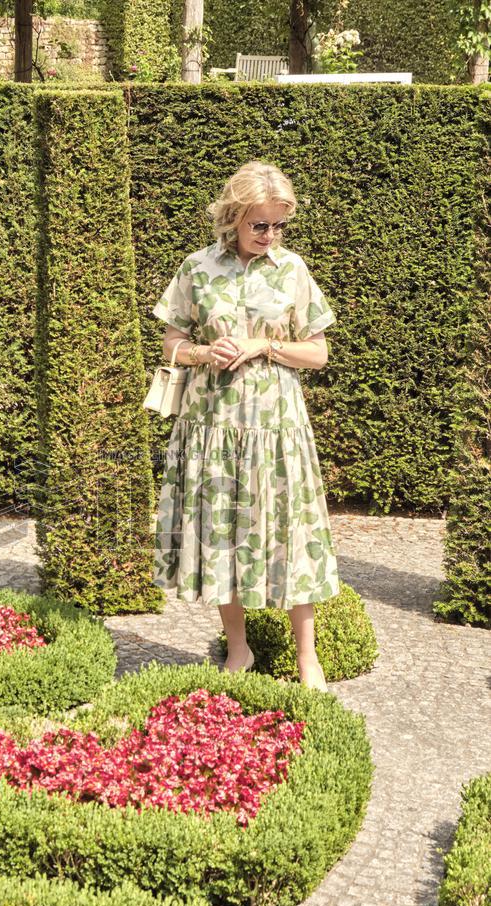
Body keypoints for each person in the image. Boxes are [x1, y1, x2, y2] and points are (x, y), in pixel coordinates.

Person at [151, 160, 340, 692]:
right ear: (234, 217)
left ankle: (308, 658)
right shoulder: (196, 268)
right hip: (211, 427)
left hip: (276, 429)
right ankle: (239, 649)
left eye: (279, 225)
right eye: (260, 224)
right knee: (221, 534)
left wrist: (266, 345)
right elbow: (171, 344)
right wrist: (205, 351)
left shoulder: (293, 270)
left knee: (291, 535)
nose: (270, 235)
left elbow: (319, 353)